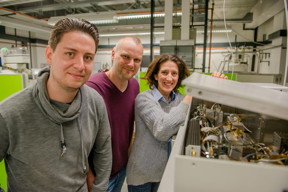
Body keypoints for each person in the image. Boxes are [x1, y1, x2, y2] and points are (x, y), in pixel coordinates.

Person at [0, 18, 112, 192]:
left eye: (88, 57)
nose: (80, 65)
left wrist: (99, 189)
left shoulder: (95, 102)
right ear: (49, 55)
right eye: (70, 53)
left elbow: (103, 151)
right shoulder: (10, 113)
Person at [126, 54, 191, 192]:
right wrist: (191, 96)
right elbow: (162, 130)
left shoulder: (180, 99)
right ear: (156, 75)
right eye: (164, 72)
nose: (169, 78)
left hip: (167, 173)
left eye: (174, 73)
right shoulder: (144, 99)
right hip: (142, 174)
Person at [86, 36, 144, 192]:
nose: (131, 64)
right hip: (99, 177)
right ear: (113, 54)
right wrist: (89, 176)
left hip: (121, 170)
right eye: (126, 57)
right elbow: (78, 140)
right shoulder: (92, 88)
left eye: (137, 60)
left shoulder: (134, 85)